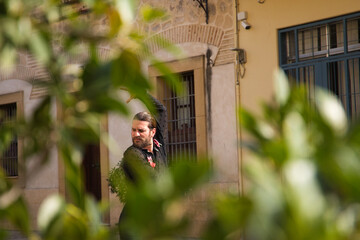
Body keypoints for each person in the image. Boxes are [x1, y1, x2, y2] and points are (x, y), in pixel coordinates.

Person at [118, 92, 167, 240]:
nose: (136, 134)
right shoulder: (132, 154)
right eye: (133, 130)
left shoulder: (158, 143)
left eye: (141, 130)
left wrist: (139, 93)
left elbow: (161, 110)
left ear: (153, 132)